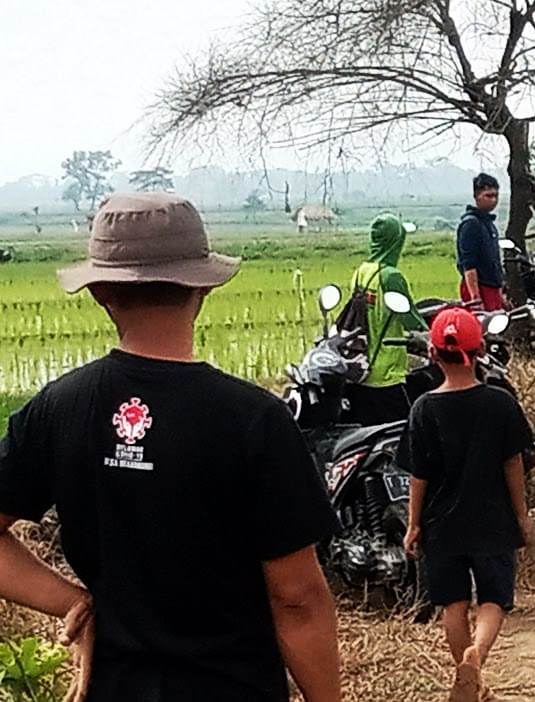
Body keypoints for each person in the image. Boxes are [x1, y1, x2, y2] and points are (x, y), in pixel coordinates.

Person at [0, 193, 341, 701]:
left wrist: (74, 600)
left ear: (99, 293)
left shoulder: (59, 407)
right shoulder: (253, 420)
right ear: (202, 287)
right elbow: (297, 599)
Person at [401, 308, 533, 702]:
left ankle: (469, 675)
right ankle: (478, 656)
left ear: (432, 353)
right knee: (494, 599)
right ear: (480, 350)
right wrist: (521, 516)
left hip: (442, 524)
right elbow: (514, 465)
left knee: (452, 604)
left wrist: (413, 524)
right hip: (491, 517)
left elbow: (418, 476)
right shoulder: (500, 403)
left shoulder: (423, 408)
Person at [347, 213, 428, 425]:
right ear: (396, 241)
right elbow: (410, 319)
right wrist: (429, 333)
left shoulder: (360, 272)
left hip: (361, 367)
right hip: (388, 372)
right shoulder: (390, 276)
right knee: (401, 432)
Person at [457, 173, 507, 311]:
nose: (494, 200)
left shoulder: (488, 224)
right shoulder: (470, 225)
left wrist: (500, 294)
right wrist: (475, 297)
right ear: (477, 197)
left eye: (496, 196)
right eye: (488, 196)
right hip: (479, 287)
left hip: (492, 287)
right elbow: (468, 264)